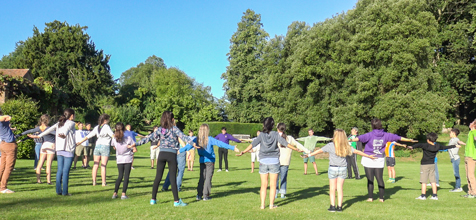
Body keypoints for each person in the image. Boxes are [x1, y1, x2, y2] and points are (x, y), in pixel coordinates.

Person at [302, 129, 376, 212]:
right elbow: (357, 151)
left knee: (332, 189)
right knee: (340, 188)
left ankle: (332, 206)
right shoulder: (346, 146)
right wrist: (369, 156)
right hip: (343, 168)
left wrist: (308, 155)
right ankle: (340, 207)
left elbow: (319, 151)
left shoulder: (330, 145)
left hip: (333, 168)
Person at [237, 117, 303, 209]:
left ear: (264, 125)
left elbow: (253, 144)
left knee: (263, 185)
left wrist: (243, 152)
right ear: (272, 125)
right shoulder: (276, 134)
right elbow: (285, 143)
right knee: (273, 185)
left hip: (263, 161)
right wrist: (296, 149)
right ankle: (271, 205)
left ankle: (262, 205)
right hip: (274, 162)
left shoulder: (261, 135)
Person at [135, 111, 195, 207]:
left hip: (162, 154)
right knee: (172, 178)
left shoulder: (160, 129)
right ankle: (176, 201)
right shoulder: (174, 129)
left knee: (158, 177)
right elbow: (184, 137)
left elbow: (149, 138)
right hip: (172, 154)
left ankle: (153, 199)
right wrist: (193, 144)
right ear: (172, 119)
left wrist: (136, 144)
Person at [350, 118, 416, 202]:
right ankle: (381, 198)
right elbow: (398, 137)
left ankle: (370, 197)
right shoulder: (386, 135)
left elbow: (358, 138)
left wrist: (348, 139)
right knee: (379, 179)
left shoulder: (369, 135)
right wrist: (409, 140)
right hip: (379, 159)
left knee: (370, 179)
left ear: (372, 125)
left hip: (368, 158)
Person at [181, 124, 239, 200]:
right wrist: (232, 147)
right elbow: (220, 144)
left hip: (202, 161)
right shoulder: (210, 139)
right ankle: (206, 195)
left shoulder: (196, 139)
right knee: (208, 178)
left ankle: (199, 195)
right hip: (210, 161)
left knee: (202, 178)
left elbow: (187, 147)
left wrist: (178, 151)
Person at [34, 108, 76, 196]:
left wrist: (39, 136)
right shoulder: (71, 123)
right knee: (65, 171)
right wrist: (63, 134)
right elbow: (66, 130)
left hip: (59, 149)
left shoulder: (59, 123)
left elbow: (48, 130)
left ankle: (58, 191)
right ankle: (65, 192)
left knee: (60, 170)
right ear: (71, 116)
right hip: (68, 150)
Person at [408, 132, 460, 200]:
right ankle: (434, 195)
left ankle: (423, 196)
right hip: (432, 164)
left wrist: (412, 147)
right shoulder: (437, 146)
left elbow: (419, 145)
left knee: (424, 181)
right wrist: (454, 146)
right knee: (433, 180)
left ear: (428, 139)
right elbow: (445, 147)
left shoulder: (426, 145)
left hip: (424, 165)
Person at [76, 114, 114, 186]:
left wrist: (80, 142)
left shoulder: (97, 127)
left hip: (97, 146)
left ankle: (94, 182)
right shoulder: (106, 127)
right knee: (103, 165)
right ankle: (103, 182)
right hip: (105, 146)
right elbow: (112, 135)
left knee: (95, 164)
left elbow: (88, 136)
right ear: (105, 120)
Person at [275, 123, 310, 199]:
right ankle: (282, 194)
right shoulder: (290, 138)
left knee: (275, 178)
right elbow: (298, 145)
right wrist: (307, 151)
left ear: (278, 129)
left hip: (276, 160)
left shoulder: (275, 137)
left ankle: (275, 193)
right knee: (283, 178)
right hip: (285, 161)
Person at [22, 115, 56, 184]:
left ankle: (38, 180)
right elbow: (57, 134)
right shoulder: (49, 128)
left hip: (43, 145)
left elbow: (29, 131)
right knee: (48, 164)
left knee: (40, 163)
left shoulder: (38, 128)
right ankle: (48, 181)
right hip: (51, 145)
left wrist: (18, 135)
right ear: (47, 120)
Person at [111, 122, 135, 200]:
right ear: (124, 129)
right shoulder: (128, 138)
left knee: (120, 176)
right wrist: (130, 147)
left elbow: (114, 147)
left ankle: (115, 193)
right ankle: (123, 194)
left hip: (119, 158)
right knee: (126, 176)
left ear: (115, 129)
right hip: (127, 158)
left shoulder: (114, 138)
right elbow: (133, 147)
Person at [0, 108, 17, 194]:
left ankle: (2, 186)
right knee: (9, 166)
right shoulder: (1, 118)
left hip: (3, 144)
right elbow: (7, 117)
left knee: (2, 165)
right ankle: (3, 187)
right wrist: (7, 116)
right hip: (9, 144)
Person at [446, 128, 466, 192]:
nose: (449, 133)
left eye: (450, 132)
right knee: (455, 173)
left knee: (456, 173)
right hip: (453, 159)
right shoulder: (451, 140)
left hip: (455, 159)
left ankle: (458, 187)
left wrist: (465, 144)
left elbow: (459, 142)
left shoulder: (455, 139)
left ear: (454, 133)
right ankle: (457, 187)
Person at [463, 120, 476, 198]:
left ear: (474, 125)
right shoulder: (470, 132)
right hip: (467, 156)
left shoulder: (474, 132)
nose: (470, 123)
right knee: (467, 175)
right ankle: (470, 192)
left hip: (471, 156)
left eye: (472, 123)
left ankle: (474, 192)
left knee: (471, 175)